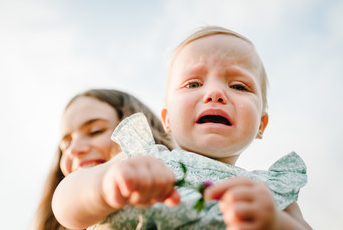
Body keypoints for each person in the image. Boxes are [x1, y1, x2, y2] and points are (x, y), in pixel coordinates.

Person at [52, 26, 311, 229]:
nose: (215, 93)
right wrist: (106, 186)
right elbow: (65, 206)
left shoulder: (269, 192)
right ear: (167, 119)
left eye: (239, 86)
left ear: (261, 125)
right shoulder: (141, 161)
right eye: (193, 84)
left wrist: (276, 224)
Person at [32, 89, 174, 230]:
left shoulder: (177, 167)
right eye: (66, 144)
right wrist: (107, 184)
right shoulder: (70, 198)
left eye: (95, 131)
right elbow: (64, 200)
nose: (73, 149)